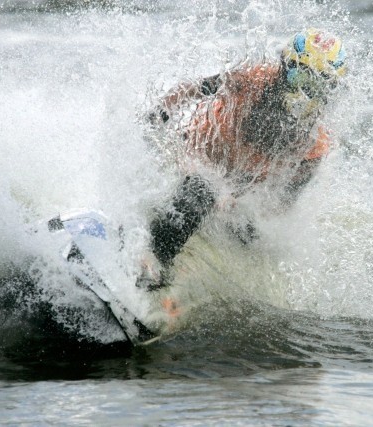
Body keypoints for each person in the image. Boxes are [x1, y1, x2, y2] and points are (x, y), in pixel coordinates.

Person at [143, 28, 348, 283]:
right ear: (285, 68)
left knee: (251, 234)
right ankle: (152, 260)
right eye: (300, 79)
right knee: (200, 191)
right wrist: (158, 114)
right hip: (194, 158)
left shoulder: (314, 148)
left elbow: (280, 207)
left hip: (237, 195)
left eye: (317, 86)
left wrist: (237, 206)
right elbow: (194, 90)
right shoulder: (254, 79)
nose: (305, 94)